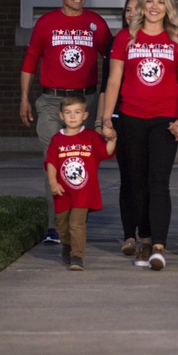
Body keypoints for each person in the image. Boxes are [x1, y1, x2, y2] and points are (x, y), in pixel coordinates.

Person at [101, 0, 178, 271]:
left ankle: (158, 246)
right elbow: (114, 81)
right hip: (131, 118)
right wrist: (106, 118)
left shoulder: (177, 40)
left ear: (168, 7)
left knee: (159, 183)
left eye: (160, 2)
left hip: (164, 121)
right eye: (149, 1)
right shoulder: (125, 38)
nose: (154, 7)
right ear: (142, 6)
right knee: (136, 182)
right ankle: (143, 237)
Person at [20, 0, 111, 245]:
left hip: (87, 100)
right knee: (54, 161)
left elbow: (113, 60)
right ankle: (54, 226)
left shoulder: (96, 23)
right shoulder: (46, 23)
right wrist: (24, 97)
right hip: (52, 102)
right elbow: (30, 60)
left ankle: (77, 219)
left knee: (82, 161)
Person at [45, 95, 117, 270]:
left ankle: (77, 256)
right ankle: (67, 245)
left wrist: (112, 139)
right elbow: (51, 163)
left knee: (77, 224)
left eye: (77, 112)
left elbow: (105, 152)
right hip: (62, 191)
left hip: (83, 191)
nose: (72, 116)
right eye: (68, 113)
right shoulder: (57, 139)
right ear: (61, 116)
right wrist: (53, 183)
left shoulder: (90, 137)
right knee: (62, 225)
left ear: (85, 115)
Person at [96, 0, 141, 256]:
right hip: (120, 118)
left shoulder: (155, 41)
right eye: (127, 10)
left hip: (146, 117)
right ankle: (129, 236)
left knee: (145, 180)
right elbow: (105, 87)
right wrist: (102, 122)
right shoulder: (116, 42)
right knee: (128, 178)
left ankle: (147, 233)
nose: (132, 14)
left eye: (137, 9)